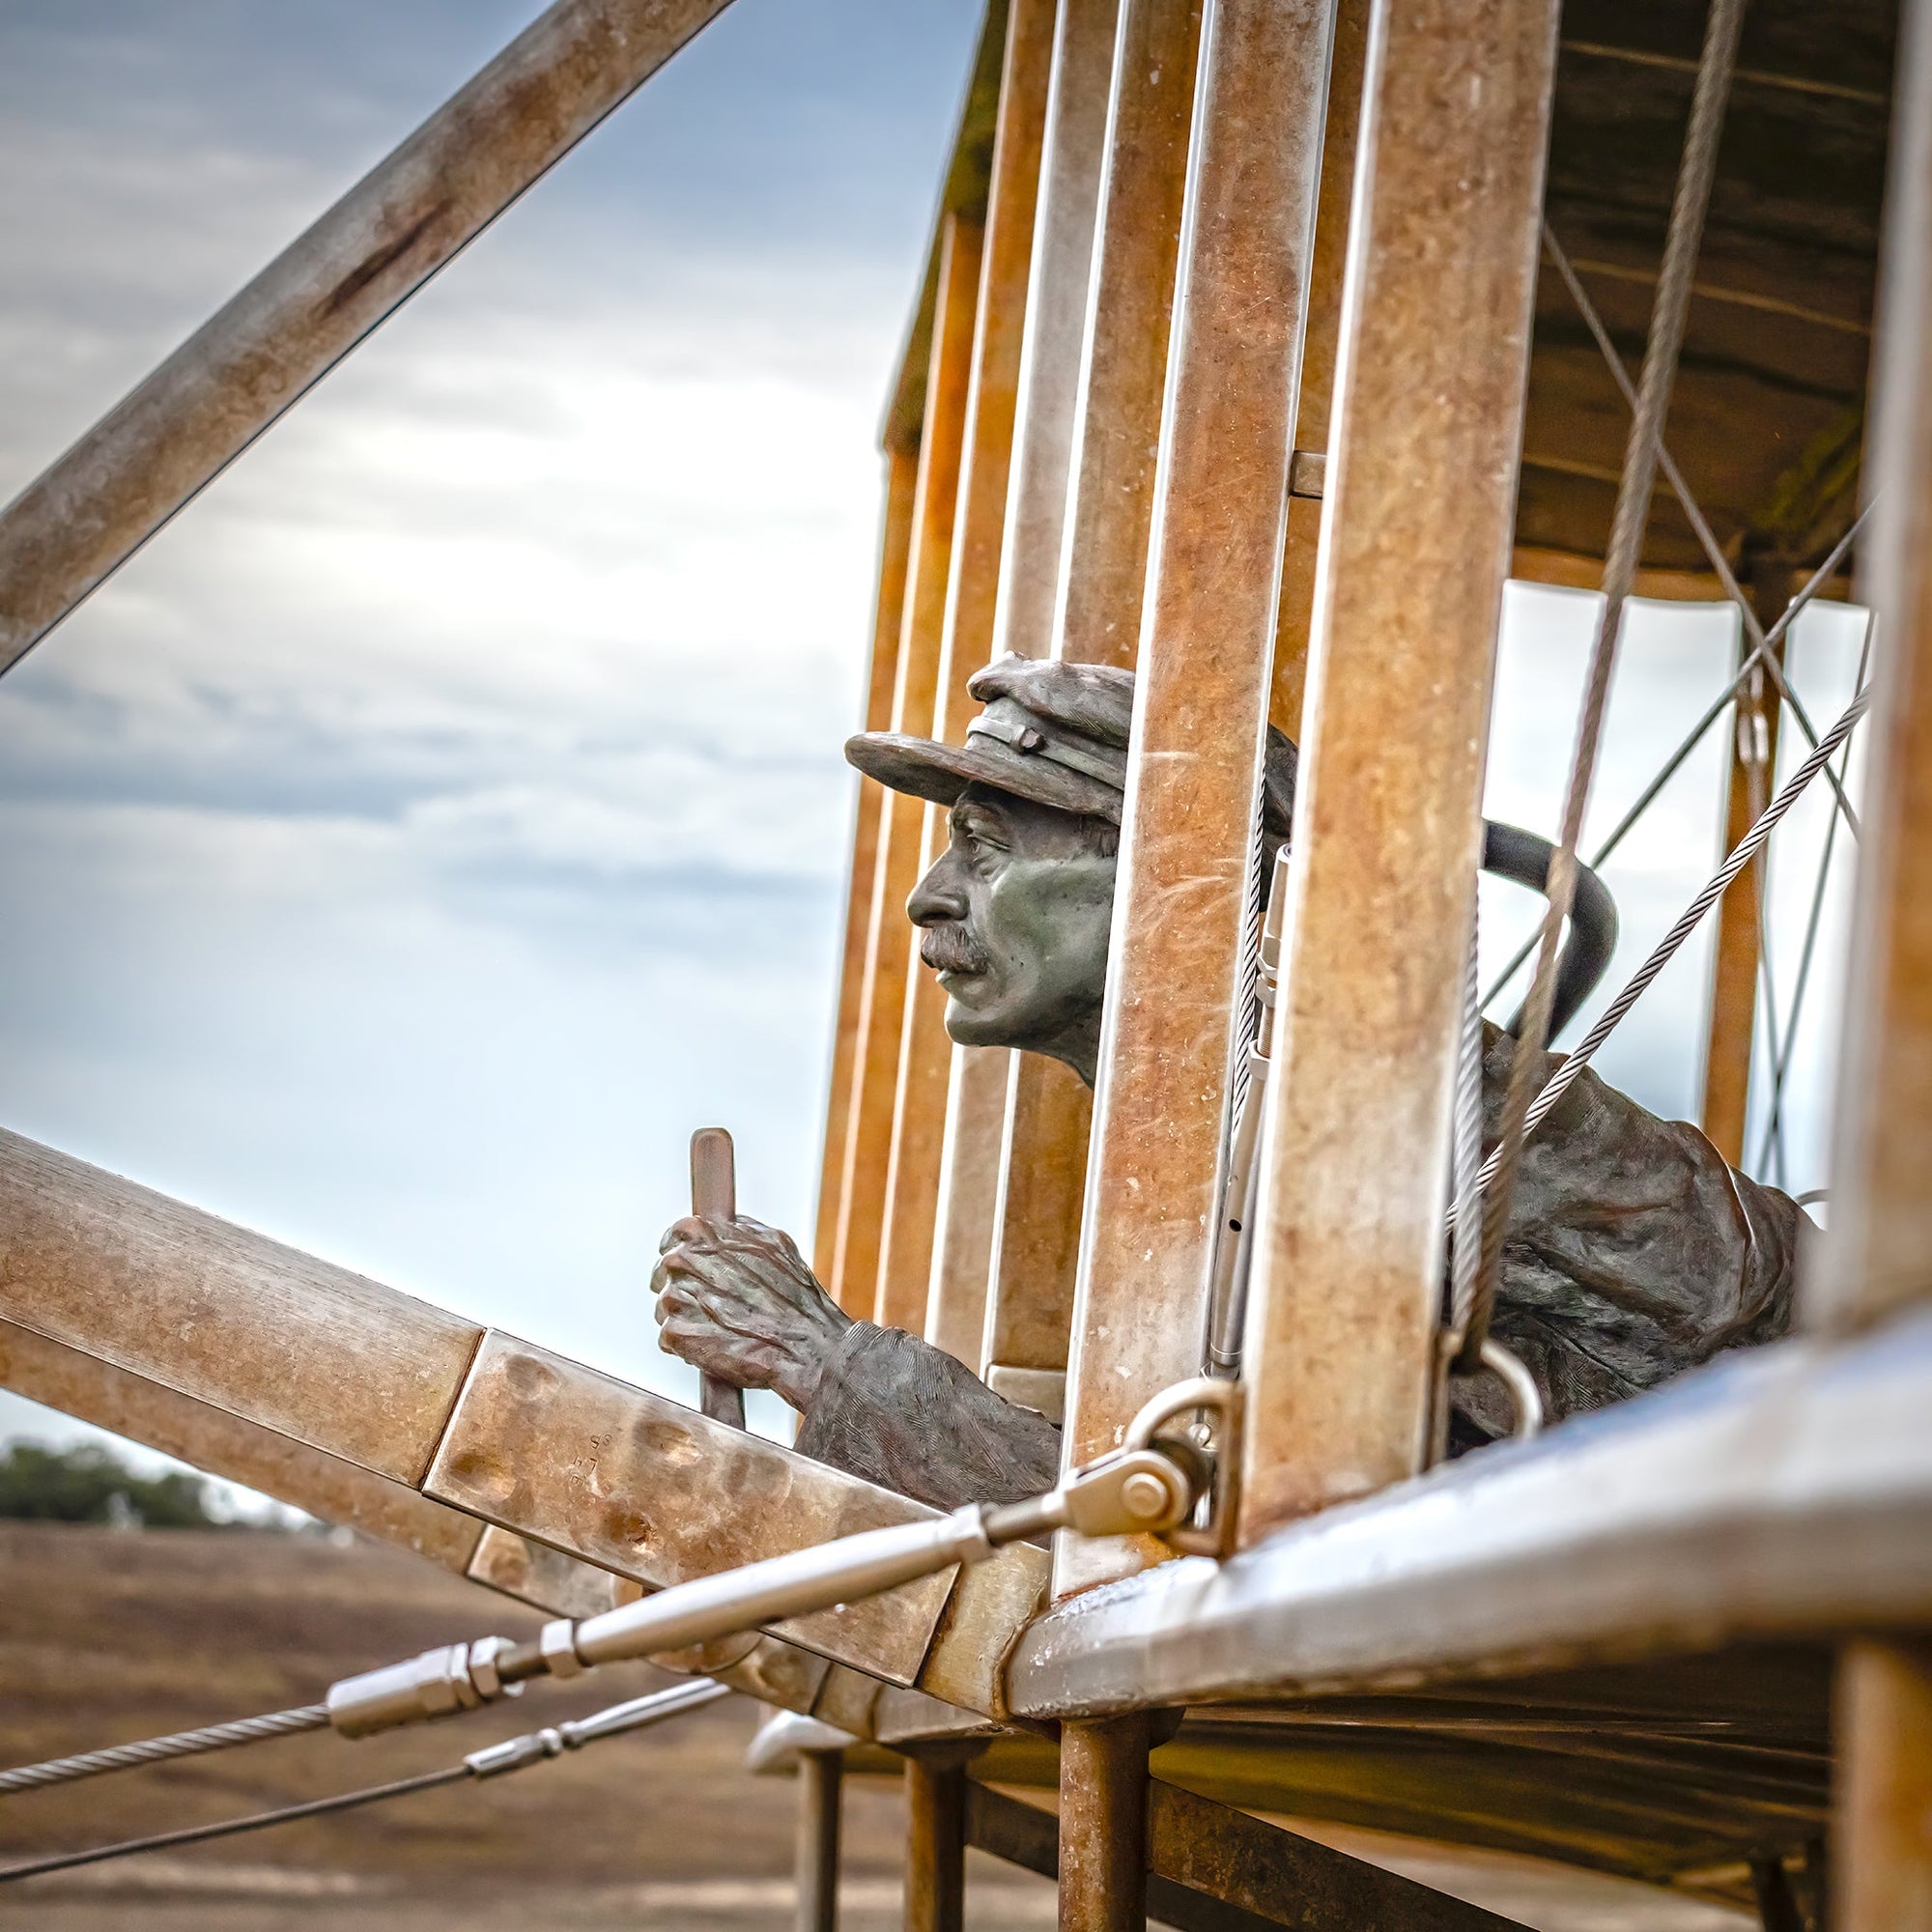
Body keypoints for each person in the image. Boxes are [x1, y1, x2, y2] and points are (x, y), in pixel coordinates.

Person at [652, 655, 1804, 1509]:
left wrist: (822, 1358)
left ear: (1169, 874)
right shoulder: (1222, 1113)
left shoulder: (1379, 1103)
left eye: (988, 844)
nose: (930, 895)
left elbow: (1180, 1527)